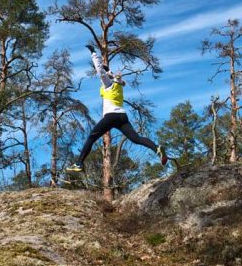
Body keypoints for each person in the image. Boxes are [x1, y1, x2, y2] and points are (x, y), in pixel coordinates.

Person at [67, 44, 167, 172]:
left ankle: (79, 163)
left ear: (107, 75)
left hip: (111, 116)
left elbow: (99, 69)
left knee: (91, 137)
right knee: (136, 139)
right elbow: (114, 78)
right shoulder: (118, 85)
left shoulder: (108, 84)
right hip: (122, 116)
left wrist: (93, 53)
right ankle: (156, 148)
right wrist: (111, 73)